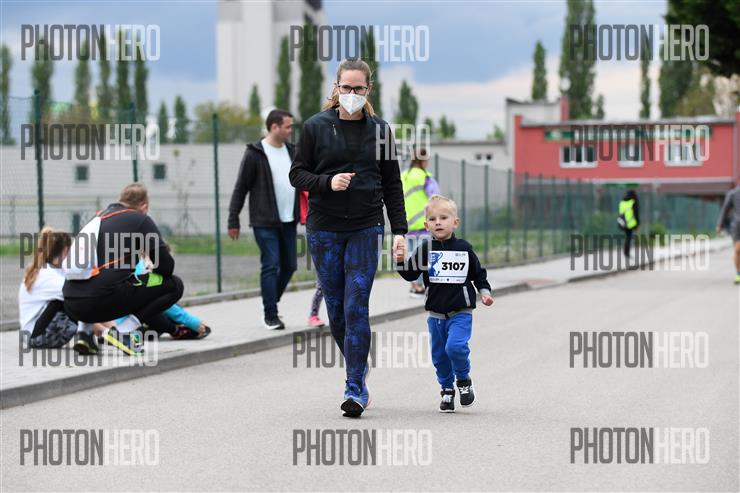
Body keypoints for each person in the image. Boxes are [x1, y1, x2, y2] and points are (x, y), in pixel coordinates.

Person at [289, 58, 407, 418]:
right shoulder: (315, 127)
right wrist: (327, 182)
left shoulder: (380, 131)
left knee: (357, 305)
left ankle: (355, 385)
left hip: (365, 227)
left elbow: (392, 184)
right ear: (336, 87)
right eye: (346, 87)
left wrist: (400, 232)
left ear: (368, 90)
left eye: (358, 88)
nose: (351, 94)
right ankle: (358, 362)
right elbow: (297, 174)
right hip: (324, 229)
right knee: (337, 311)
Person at [396, 195, 494, 412]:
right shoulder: (425, 249)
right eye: (432, 219)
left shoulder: (464, 248)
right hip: (436, 315)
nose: (438, 222)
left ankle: (463, 380)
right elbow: (410, 273)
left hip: (461, 312)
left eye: (443, 218)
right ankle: (447, 389)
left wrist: (484, 292)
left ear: (455, 222)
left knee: (455, 347)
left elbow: (478, 274)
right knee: (439, 356)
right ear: (426, 225)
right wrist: (400, 260)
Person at [63, 183, 183, 355]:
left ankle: (85, 334)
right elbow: (166, 266)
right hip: (102, 300)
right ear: (144, 207)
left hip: (72, 305)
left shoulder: (97, 218)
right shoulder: (140, 219)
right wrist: (148, 271)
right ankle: (124, 332)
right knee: (174, 284)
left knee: (98, 277)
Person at [228, 109, 299, 330]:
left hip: (289, 220)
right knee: (271, 264)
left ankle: (270, 300)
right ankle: (270, 314)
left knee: (289, 266)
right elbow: (241, 188)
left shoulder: (293, 151)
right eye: (287, 126)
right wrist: (233, 219)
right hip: (264, 221)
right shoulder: (255, 154)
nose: (291, 130)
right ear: (274, 127)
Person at [401, 146, 439, 297]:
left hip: (407, 224)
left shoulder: (404, 176)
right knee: (424, 257)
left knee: (412, 256)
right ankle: (421, 286)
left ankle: (414, 286)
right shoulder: (425, 177)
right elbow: (436, 198)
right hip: (423, 224)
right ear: (423, 161)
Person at [716, 180, 740, 284]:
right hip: (737, 226)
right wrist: (719, 224)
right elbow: (725, 209)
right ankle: (738, 274)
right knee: (738, 250)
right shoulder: (733, 194)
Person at [617, 189, 639, 258]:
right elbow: (636, 214)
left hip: (623, 222)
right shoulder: (633, 202)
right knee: (629, 238)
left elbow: (620, 212)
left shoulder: (622, 202)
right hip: (631, 223)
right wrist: (638, 224)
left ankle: (626, 252)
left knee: (627, 237)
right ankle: (627, 252)